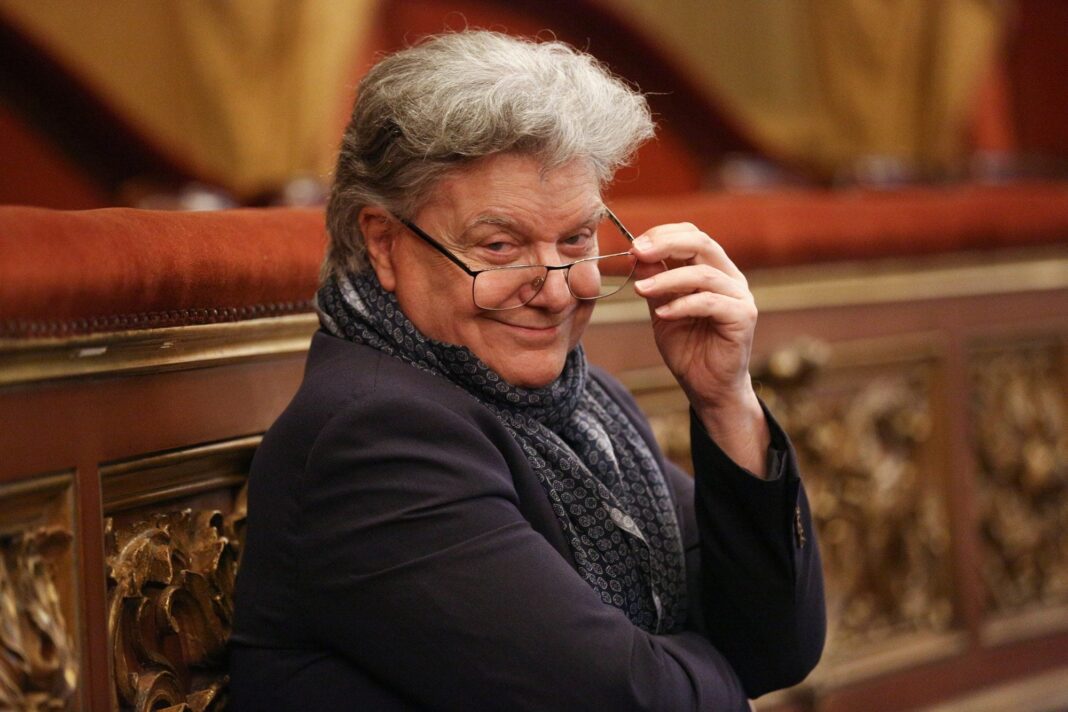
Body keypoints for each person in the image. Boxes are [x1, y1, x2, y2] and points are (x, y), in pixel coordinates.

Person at [230, 30, 824, 711]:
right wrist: (703, 667)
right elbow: (623, 700)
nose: (555, 289)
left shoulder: (586, 402)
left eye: (576, 240)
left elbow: (778, 648)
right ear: (383, 242)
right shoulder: (371, 439)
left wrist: (726, 403)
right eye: (501, 246)